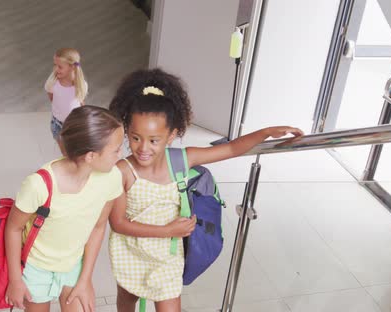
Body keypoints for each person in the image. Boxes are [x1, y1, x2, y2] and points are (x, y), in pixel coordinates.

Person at [108, 68, 304, 311]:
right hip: (131, 252)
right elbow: (118, 223)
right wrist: (167, 229)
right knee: (127, 301)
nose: (143, 148)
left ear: (172, 135)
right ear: (126, 130)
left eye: (153, 140)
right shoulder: (123, 171)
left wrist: (264, 133)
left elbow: (231, 149)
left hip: (168, 257)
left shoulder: (182, 160)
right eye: (135, 137)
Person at [5, 106, 124, 312]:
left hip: (74, 266)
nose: (120, 154)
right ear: (90, 156)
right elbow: (13, 228)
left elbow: (98, 227)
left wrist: (85, 279)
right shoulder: (39, 185)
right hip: (36, 268)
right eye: (116, 149)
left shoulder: (111, 178)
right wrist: (16, 280)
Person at [44, 48, 88, 153]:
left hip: (74, 125)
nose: (55, 69)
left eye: (60, 67)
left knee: (75, 150)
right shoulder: (52, 83)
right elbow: (52, 98)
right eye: (54, 65)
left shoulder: (81, 85)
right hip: (57, 124)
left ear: (72, 67)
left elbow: (81, 102)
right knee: (65, 153)